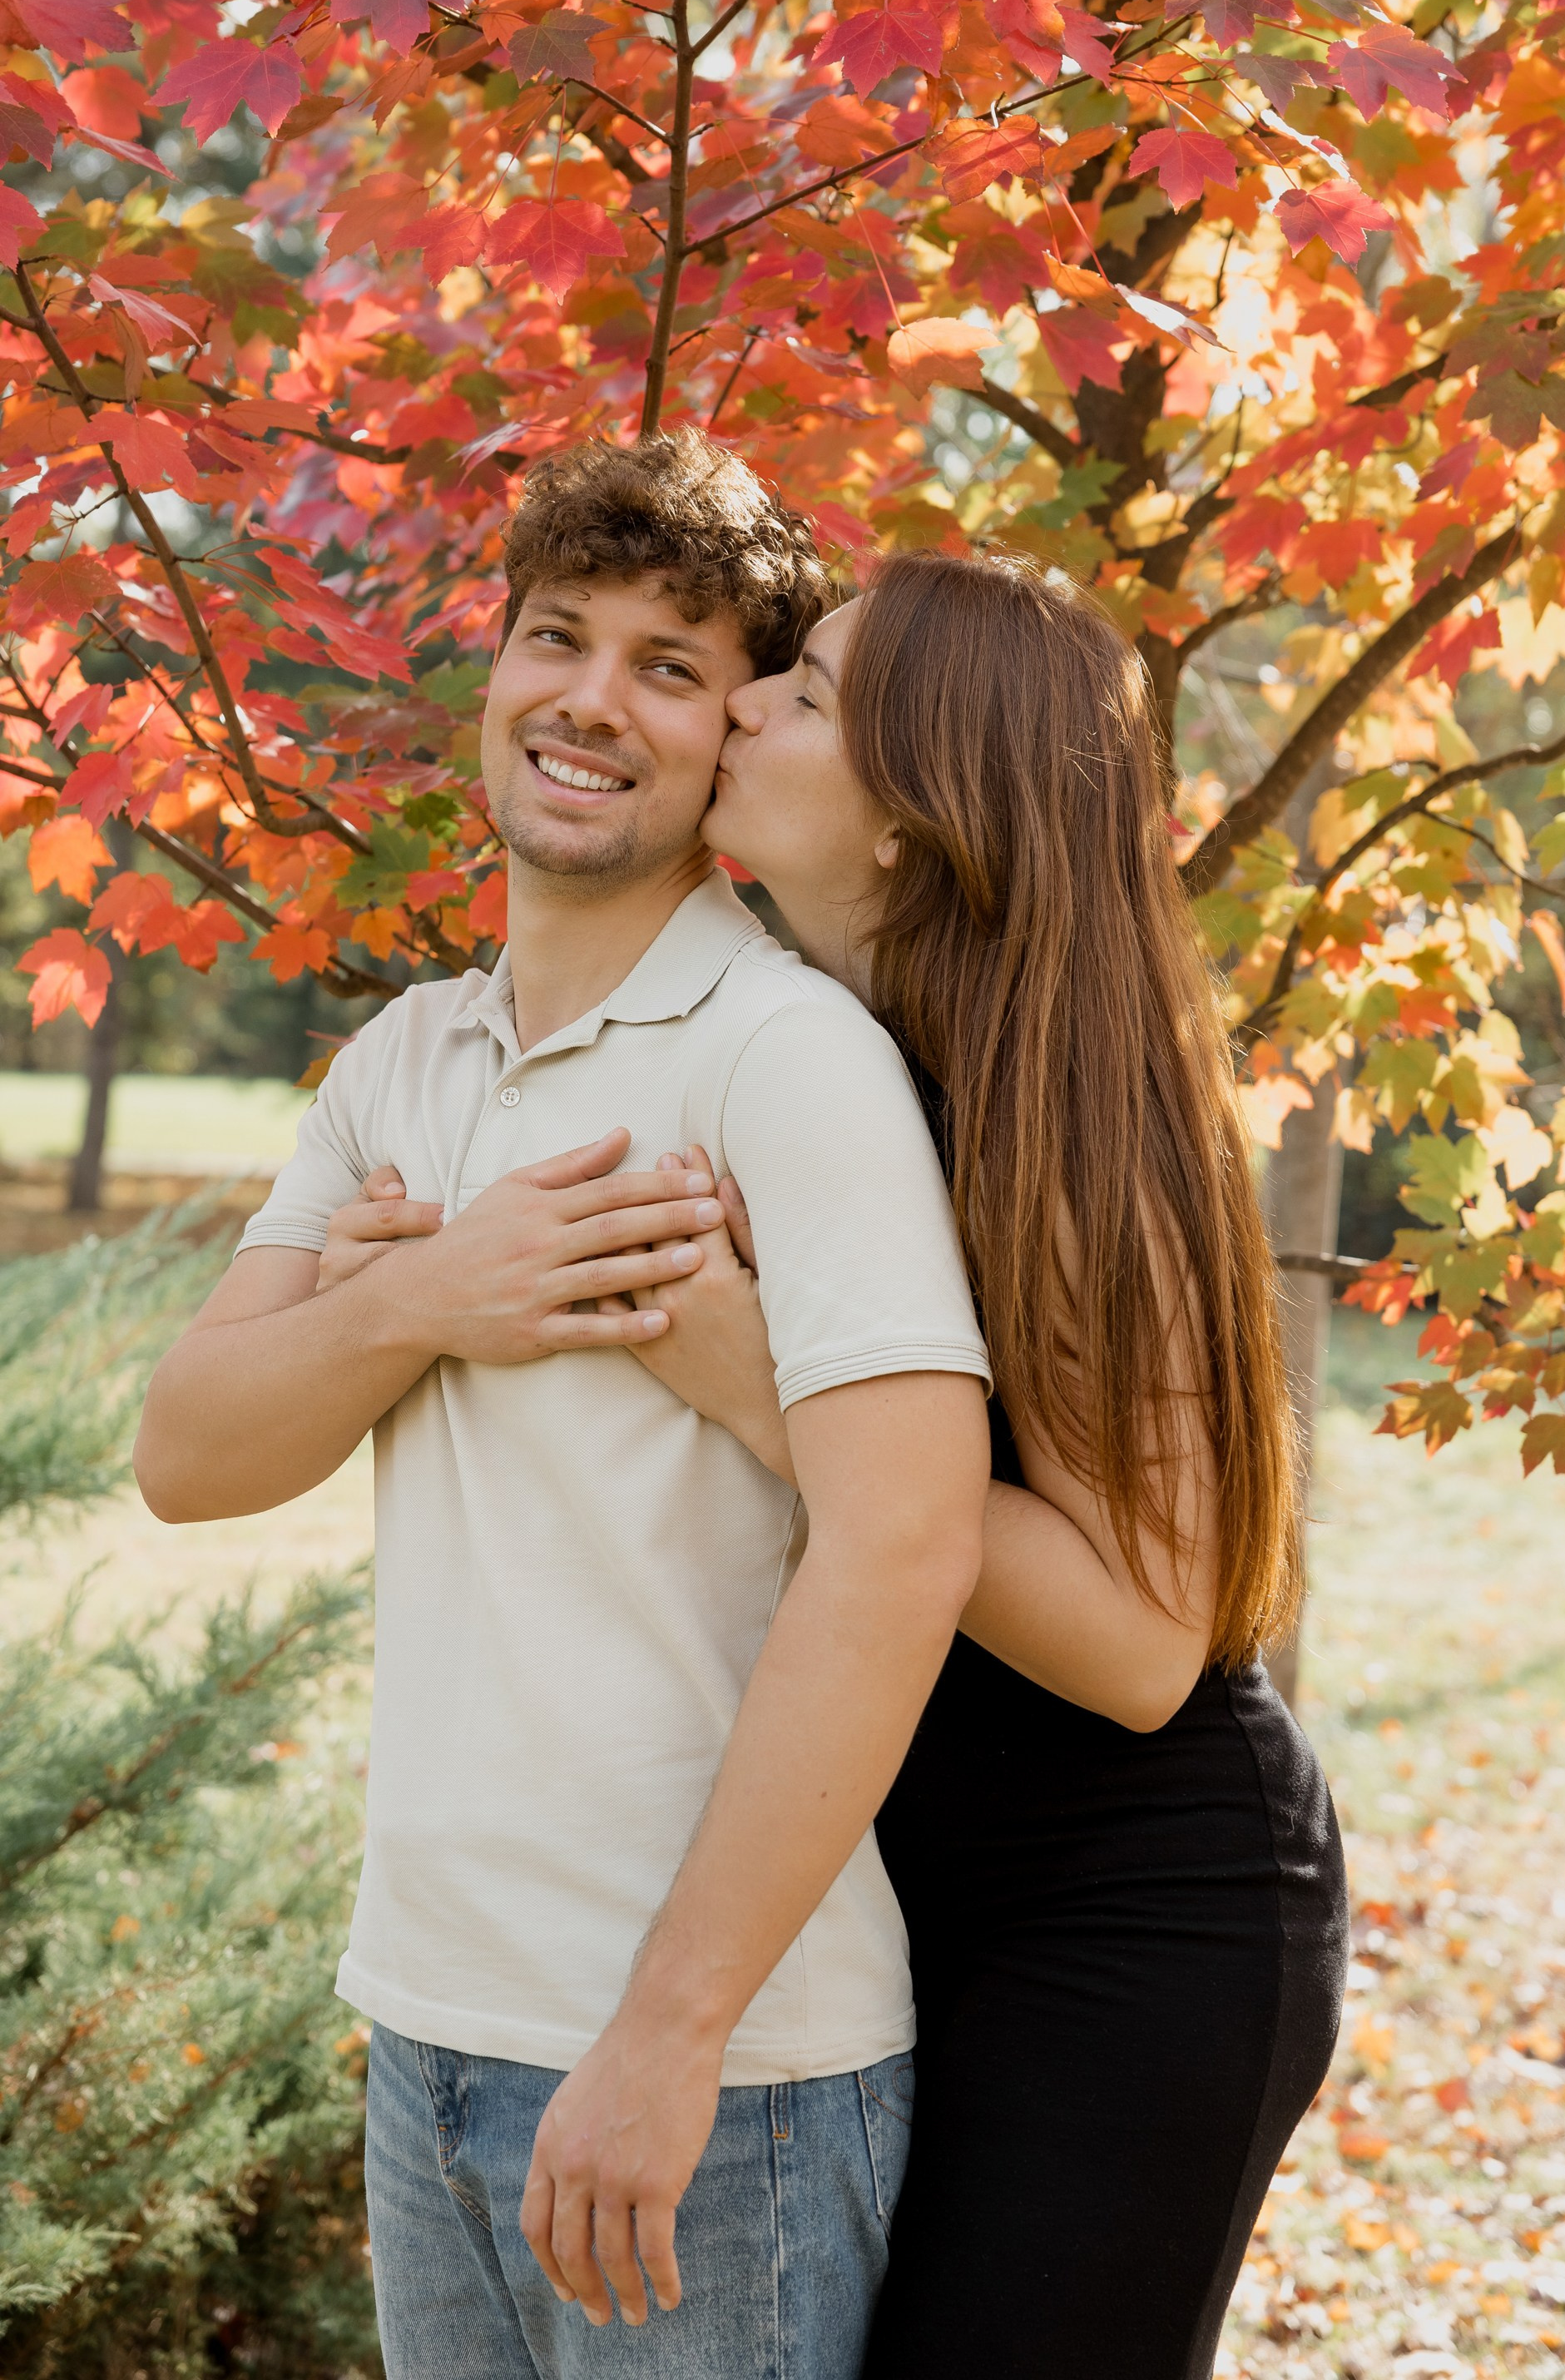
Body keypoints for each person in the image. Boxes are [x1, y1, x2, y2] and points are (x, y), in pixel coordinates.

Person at [340, 551, 1346, 2378]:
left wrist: (769, 1397)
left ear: (910, 817)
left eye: (800, 693)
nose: (738, 704)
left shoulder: (1070, 1110)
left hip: (1131, 1908)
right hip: (899, 1888)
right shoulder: (814, 1056)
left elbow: (1144, 1645)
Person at [132, 435, 996, 2380]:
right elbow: (187, 1455)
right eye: (557, 638)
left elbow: (904, 1547)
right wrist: (423, 1300)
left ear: (729, 740)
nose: (592, 700)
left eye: (669, 667)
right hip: (426, 2022)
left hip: (721, 2083)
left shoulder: (787, 1059)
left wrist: (671, 2037)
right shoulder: (402, 1057)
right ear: (497, 667)